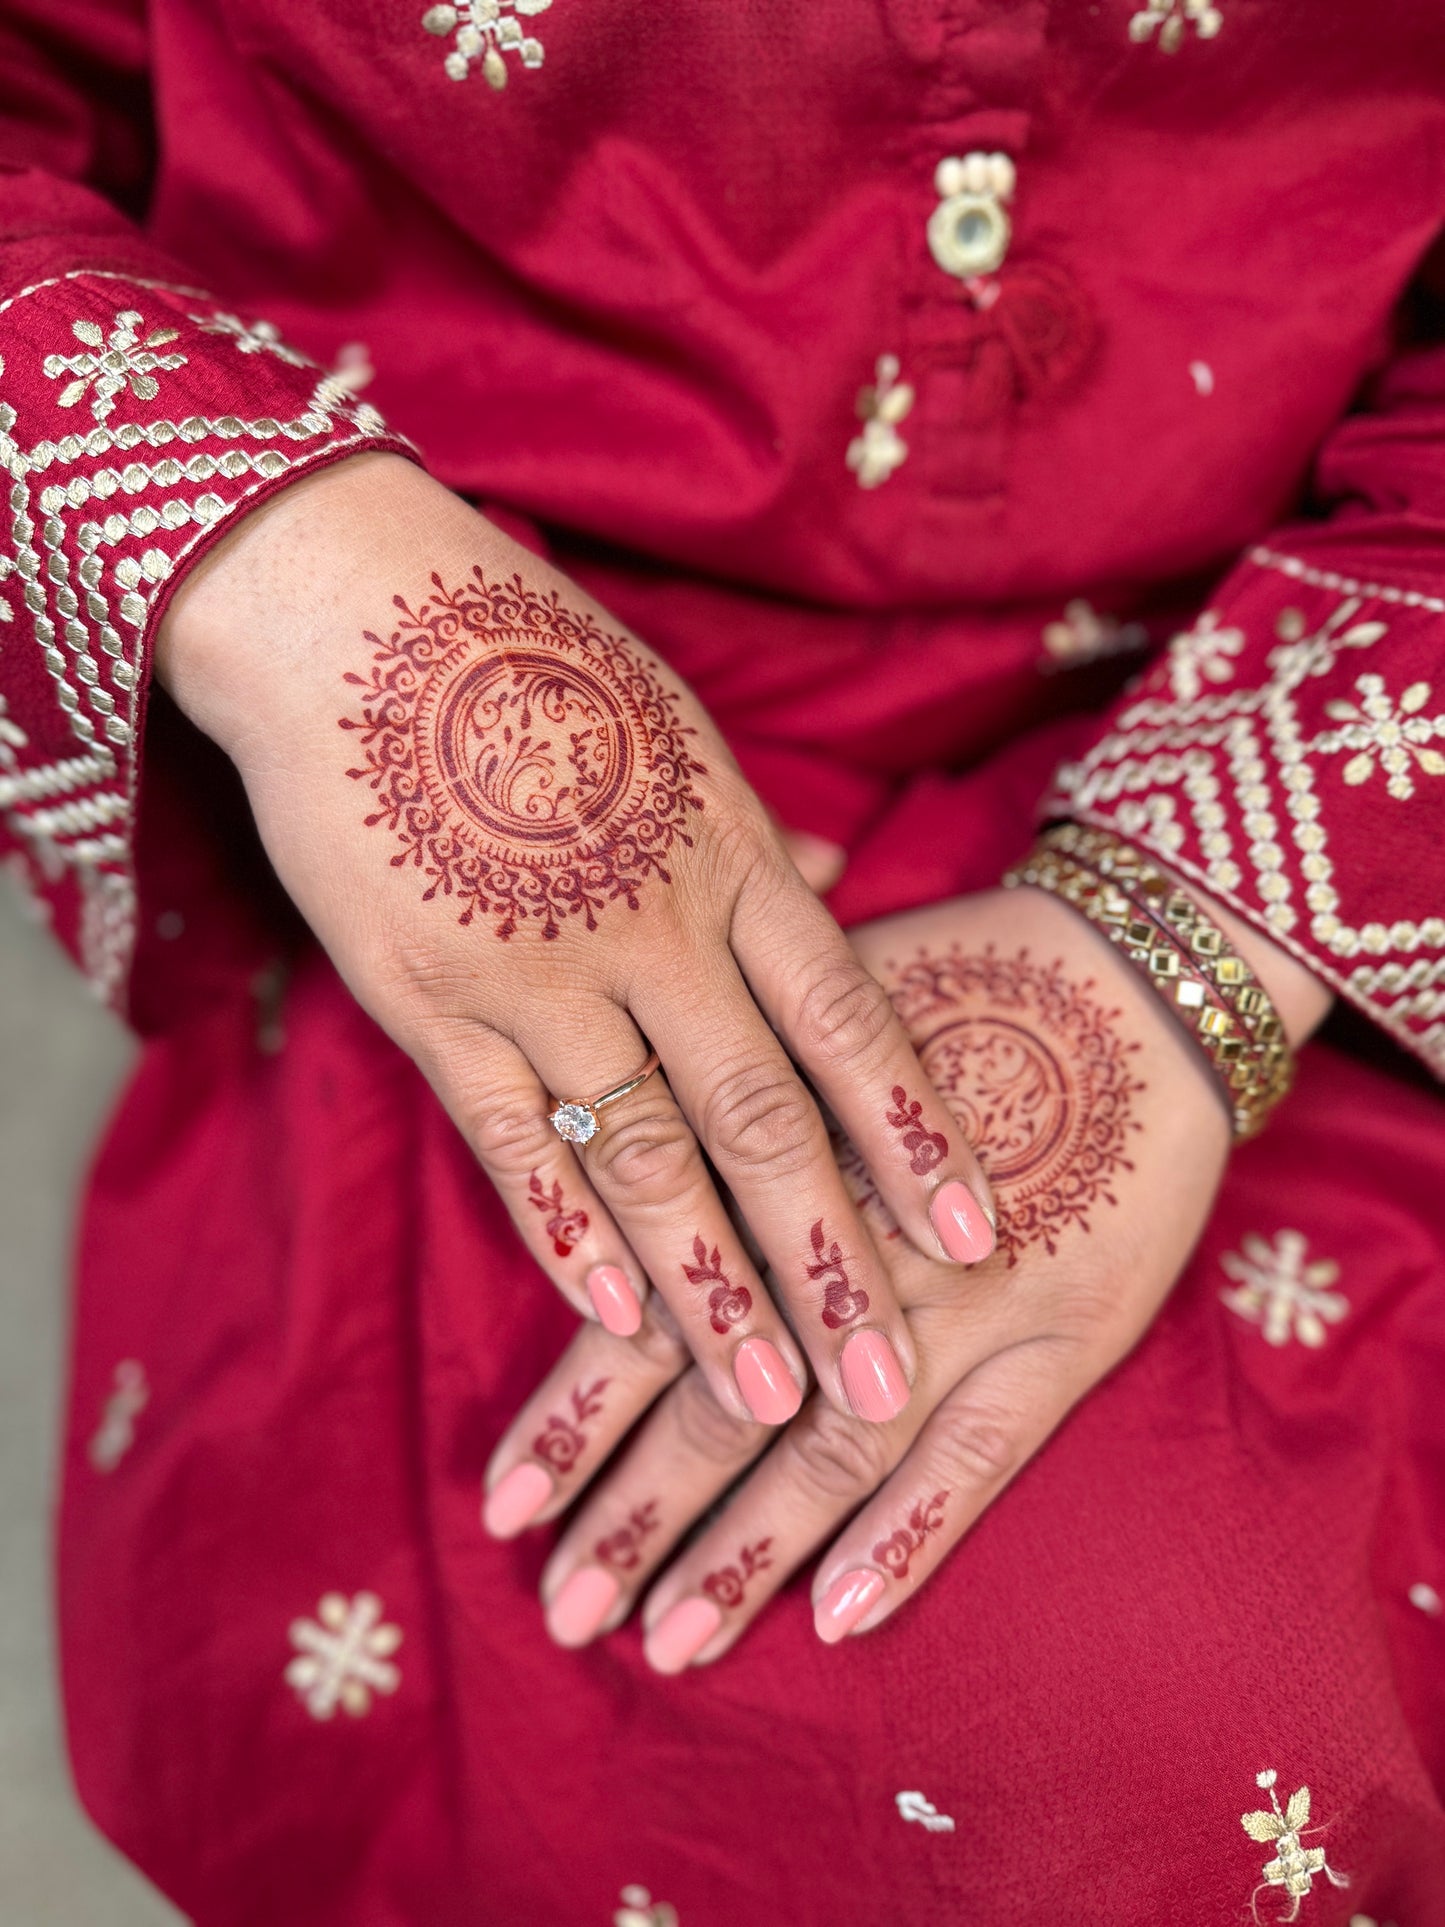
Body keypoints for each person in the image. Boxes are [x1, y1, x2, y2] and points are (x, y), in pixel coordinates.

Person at [2, 3, 1443, 1921]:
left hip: (1305, 677)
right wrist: (263, 564)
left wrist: (1197, 935)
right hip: (424, 622)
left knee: (1198, 1721)